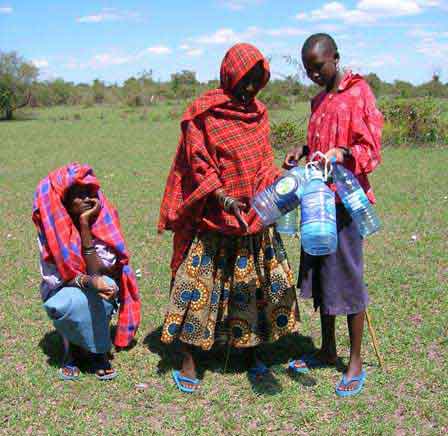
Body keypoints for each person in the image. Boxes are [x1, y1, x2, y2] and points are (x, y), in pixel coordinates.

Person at [158, 43, 300, 393]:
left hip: (253, 217)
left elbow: (263, 163)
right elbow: (198, 161)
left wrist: (281, 178)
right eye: (245, 80)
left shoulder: (259, 113)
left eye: (257, 81)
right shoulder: (203, 113)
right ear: (229, 75)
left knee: (250, 289)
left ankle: (250, 354)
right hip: (214, 220)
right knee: (196, 291)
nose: (250, 88)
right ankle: (189, 359)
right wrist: (222, 196)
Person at [284, 33, 383, 397]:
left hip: (346, 201)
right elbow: (318, 147)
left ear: (335, 58)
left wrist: (342, 154)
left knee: (348, 276)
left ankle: (354, 360)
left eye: (319, 66)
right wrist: (302, 150)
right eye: (308, 69)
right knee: (323, 274)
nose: (313, 74)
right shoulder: (319, 100)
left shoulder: (359, 94)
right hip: (317, 201)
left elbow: (370, 148)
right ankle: (327, 349)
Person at [32, 163, 141, 380]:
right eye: (79, 195)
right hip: (63, 289)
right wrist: (90, 283)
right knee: (72, 301)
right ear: (64, 201)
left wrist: (84, 226)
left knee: (106, 287)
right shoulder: (51, 230)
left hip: (97, 285)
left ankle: (97, 350)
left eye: (89, 193)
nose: (87, 199)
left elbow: (99, 271)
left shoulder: (101, 223)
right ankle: (71, 351)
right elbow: (59, 278)